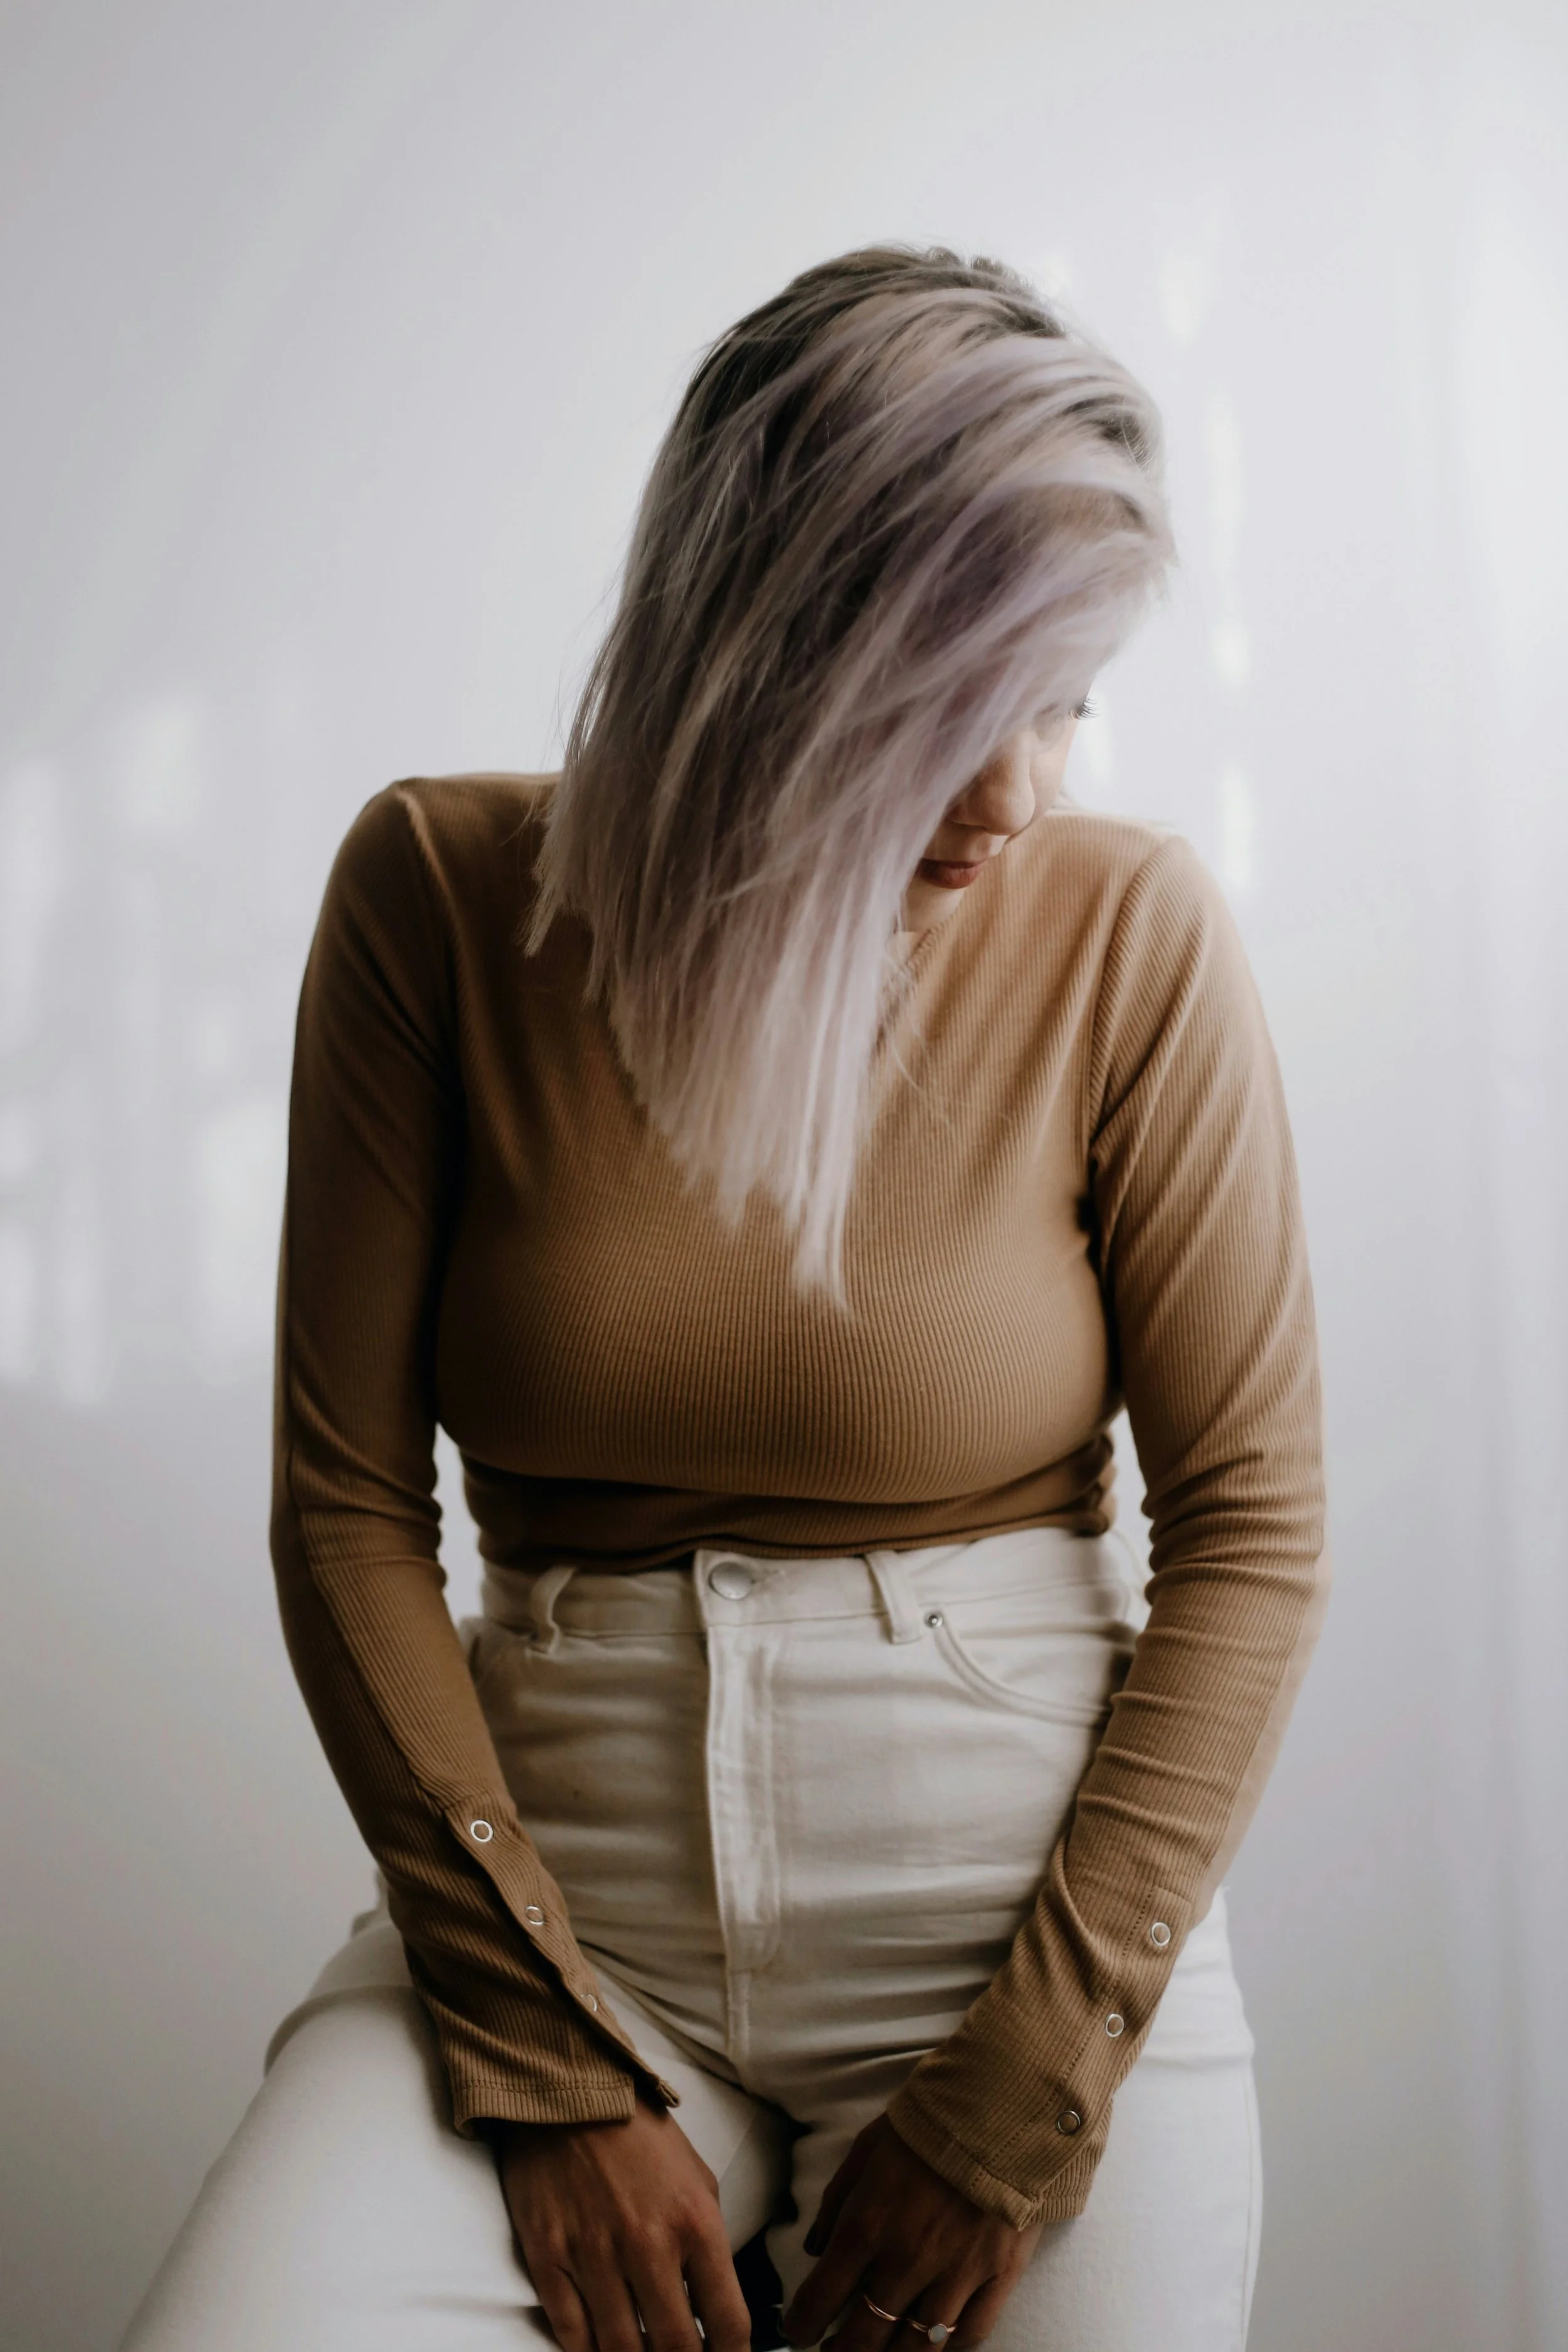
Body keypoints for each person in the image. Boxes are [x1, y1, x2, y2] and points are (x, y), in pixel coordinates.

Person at [123, 246, 1328, 2352]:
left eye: (1065, 694)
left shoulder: (1129, 936)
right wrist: (547, 2059)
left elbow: (1256, 1531)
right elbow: (343, 1513)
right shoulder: (432, 897)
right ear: (773, 650)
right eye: (969, 699)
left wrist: (1030, 2081)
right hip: (559, 1899)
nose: (1024, 786)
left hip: (1014, 1915)